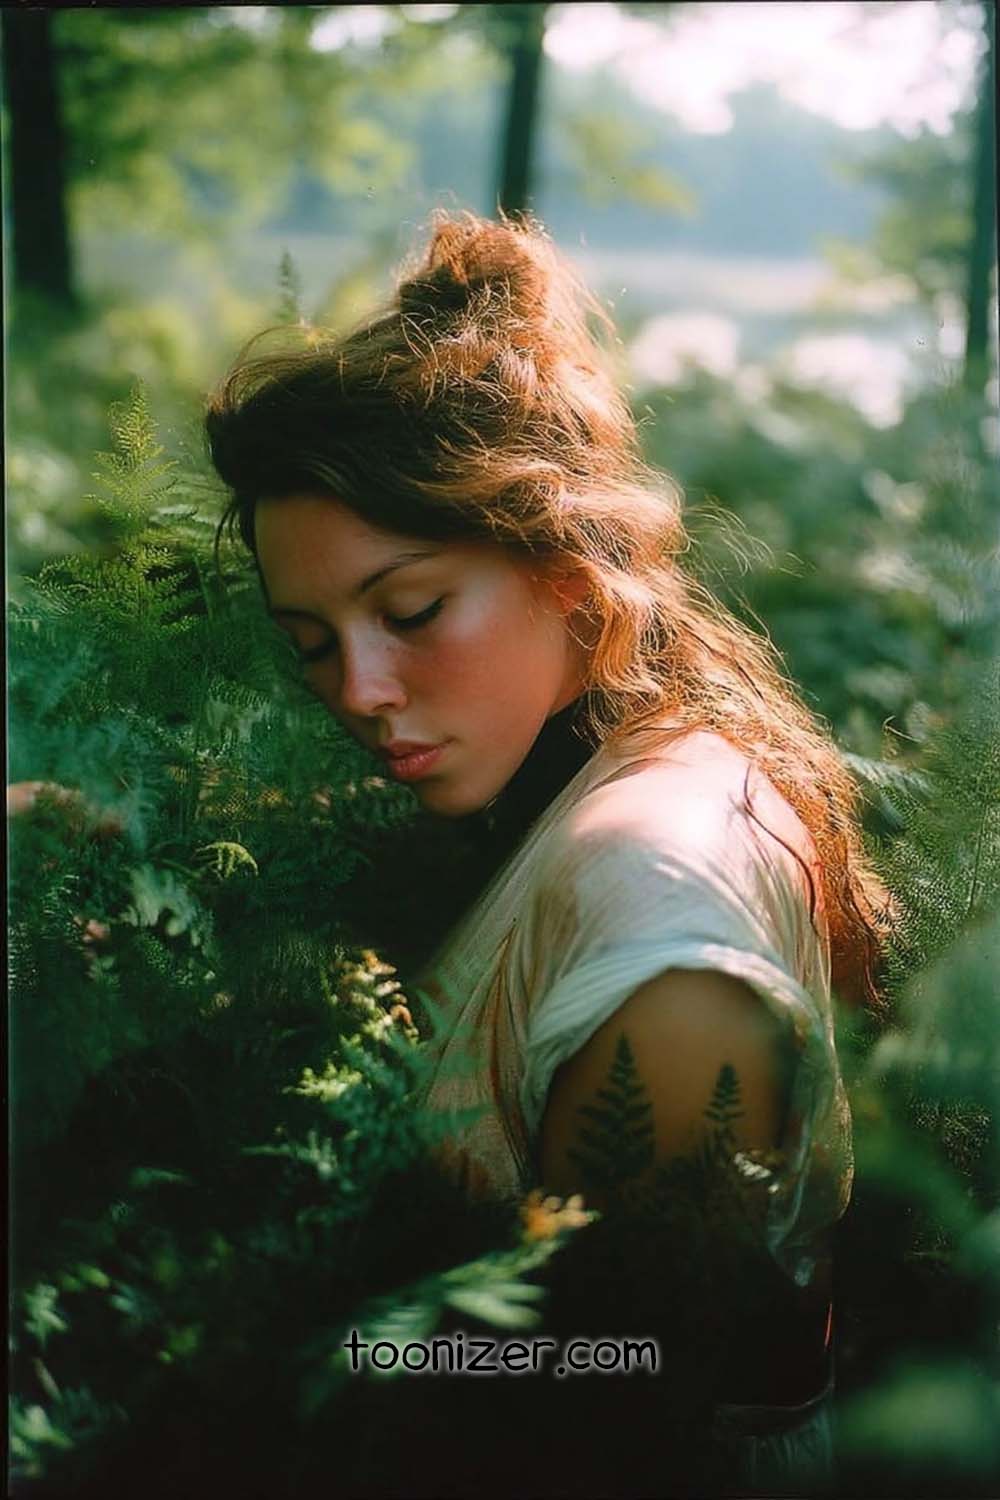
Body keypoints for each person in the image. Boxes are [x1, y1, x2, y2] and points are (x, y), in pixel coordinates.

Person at [205, 210, 891, 1494]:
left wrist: (285, 1351)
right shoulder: (588, 767)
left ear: (573, 574)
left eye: (410, 612)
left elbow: (616, 1375)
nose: (356, 690)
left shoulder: (655, 910)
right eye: (308, 641)